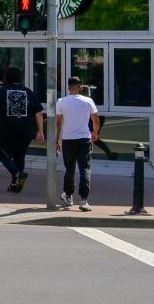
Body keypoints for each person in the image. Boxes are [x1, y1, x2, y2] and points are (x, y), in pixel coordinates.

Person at [0, 66, 43, 192]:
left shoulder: (0, 91)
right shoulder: (29, 92)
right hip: (27, 130)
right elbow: (39, 113)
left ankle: (17, 174)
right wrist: (40, 131)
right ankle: (15, 184)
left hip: (7, 129)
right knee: (19, 156)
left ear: (7, 77)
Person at [56, 77, 101, 211]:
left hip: (68, 139)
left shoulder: (61, 101)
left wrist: (57, 140)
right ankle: (83, 200)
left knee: (69, 169)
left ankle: (68, 195)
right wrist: (95, 132)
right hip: (84, 139)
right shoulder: (88, 101)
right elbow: (96, 120)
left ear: (69, 87)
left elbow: (58, 123)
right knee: (85, 169)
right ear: (80, 86)